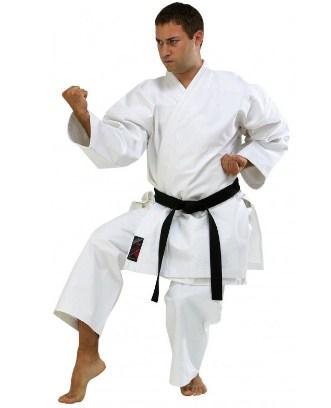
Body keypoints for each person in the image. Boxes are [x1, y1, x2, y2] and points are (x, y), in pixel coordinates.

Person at [54, 2, 289, 403]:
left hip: (213, 218)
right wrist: (86, 118)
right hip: (163, 214)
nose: (164, 51)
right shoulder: (150, 94)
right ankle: (87, 353)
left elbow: (275, 134)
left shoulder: (235, 89)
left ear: (198, 38)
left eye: (173, 41)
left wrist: (245, 159)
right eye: (159, 42)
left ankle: (188, 371)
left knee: (186, 298)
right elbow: (122, 143)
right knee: (102, 242)